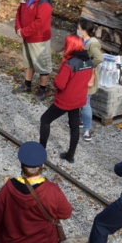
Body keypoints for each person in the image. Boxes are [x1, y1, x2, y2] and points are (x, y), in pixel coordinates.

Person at [39, 35, 94, 164]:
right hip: (78, 99)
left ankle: (41, 152)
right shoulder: (89, 62)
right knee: (74, 126)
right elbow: (89, 82)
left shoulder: (69, 64)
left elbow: (60, 84)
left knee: (45, 120)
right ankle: (70, 155)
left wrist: (55, 80)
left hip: (65, 101)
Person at [12, 0, 53, 101]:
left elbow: (40, 22)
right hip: (27, 37)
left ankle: (42, 89)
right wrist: (18, 28)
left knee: (42, 65)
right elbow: (19, 13)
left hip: (39, 39)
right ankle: (27, 85)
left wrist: (23, 31)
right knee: (28, 62)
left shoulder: (44, 1)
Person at [77, 19, 103, 142]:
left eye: (79, 28)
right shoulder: (83, 41)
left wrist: (87, 65)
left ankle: (87, 130)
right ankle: (81, 120)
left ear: (84, 31)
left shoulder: (92, 44)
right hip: (81, 76)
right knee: (81, 100)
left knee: (85, 103)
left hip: (88, 77)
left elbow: (99, 58)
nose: (78, 30)